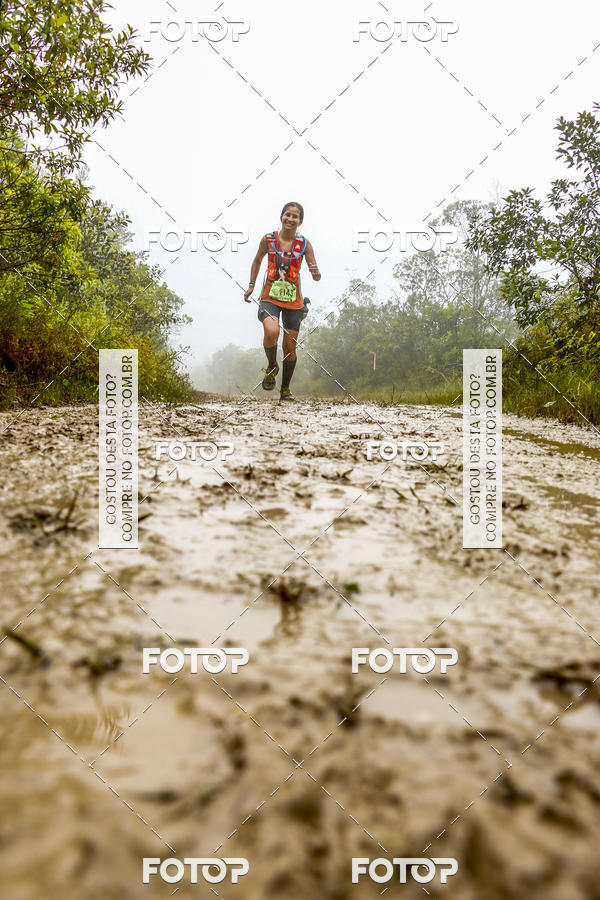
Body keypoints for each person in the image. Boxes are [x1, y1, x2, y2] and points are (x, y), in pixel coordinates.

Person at [244, 202, 321, 401]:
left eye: (295, 216)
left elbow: (313, 267)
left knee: (289, 347)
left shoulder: (304, 243)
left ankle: (285, 389)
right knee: (271, 331)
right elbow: (257, 260)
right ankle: (271, 365)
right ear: (281, 217)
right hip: (269, 296)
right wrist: (252, 285)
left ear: (300, 221)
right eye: (288, 214)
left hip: (294, 301)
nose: (290, 219)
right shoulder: (268, 240)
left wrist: (316, 273)